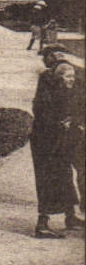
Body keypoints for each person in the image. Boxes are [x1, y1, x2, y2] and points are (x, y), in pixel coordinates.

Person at [31, 46, 83, 238]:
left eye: (72, 77)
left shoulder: (60, 82)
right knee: (48, 179)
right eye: (67, 78)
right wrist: (61, 122)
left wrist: (72, 121)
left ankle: (70, 217)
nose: (71, 81)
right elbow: (42, 111)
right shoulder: (48, 85)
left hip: (60, 138)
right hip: (46, 140)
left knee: (65, 175)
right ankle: (42, 224)